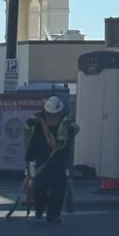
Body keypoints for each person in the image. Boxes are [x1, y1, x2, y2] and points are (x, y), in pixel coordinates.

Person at [25, 96, 75, 225]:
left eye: (55, 114)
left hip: (59, 159)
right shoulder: (38, 120)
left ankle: (54, 215)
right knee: (40, 186)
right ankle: (39, 208)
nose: (52, 117)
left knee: (59, 187)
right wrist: (30, 158)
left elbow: (74, 130)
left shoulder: (66, 122)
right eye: (49, 114)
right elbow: (29, 133)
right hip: (42, 159)